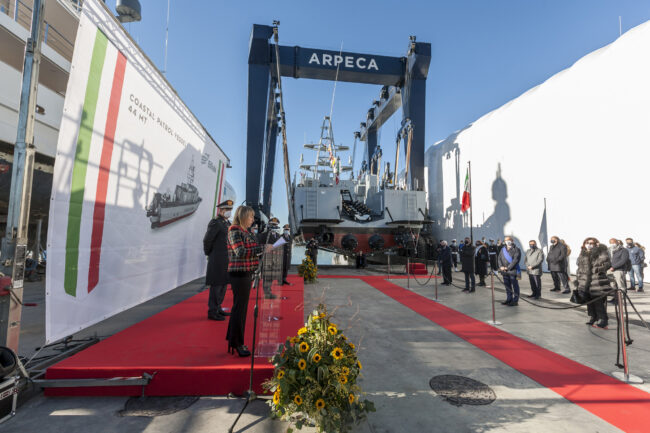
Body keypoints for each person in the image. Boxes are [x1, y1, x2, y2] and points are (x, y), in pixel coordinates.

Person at [226, 205, 264, 357]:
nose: (252, 220)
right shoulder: (234, 230)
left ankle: (233, 340)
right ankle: (237, 343)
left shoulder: (246, 232)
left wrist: (262, 248)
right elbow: (240, 252)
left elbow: (252, 248)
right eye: (250, 216)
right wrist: (261, 248)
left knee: (240, 309)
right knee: (239, 310)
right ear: (243, 217)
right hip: (239, 274)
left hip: (246, 273)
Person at [203, 199, 233, 321]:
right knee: (216, 285)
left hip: (226, 259)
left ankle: (218, 307)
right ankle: (212, 311)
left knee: (223, 284)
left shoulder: (227, 223)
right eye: (227, 209)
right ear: (221, 210)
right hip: (217, 258)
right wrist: (210, 253)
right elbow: (207, 240)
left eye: (230, 209)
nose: (229, 211)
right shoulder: (216, 223)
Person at [575, 237, 611, 328]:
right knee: (589, 302)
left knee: (598, 302)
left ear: (595, 244)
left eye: (591, 243)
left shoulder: (600, 252)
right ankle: (593, 317)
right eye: (587, 243)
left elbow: (607, 263)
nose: (589, 245)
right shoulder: (583, 253)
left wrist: (601, 248)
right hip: (584, 281)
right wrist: (578, 279)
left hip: (596, 281)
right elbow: (579, 266)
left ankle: (603, 320)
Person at [258, 217, 281, 299]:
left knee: (271, 277)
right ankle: (267, 293)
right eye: (272, 225)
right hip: (266, 259)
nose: (274, 226)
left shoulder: (278, 236)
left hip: (275, 259)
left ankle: (269, 291)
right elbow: (259, 247)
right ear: (269, 225)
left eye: (275, 225)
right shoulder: (264, 235)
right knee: (267, 277)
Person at [498, 236, 521, 306]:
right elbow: (499, 258)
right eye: (505, 240)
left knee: (515, 286)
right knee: (507, 286)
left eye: (508, 240)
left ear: (512, 241)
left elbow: (515, 260)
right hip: (504, 272)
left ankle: (515, 301)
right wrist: (501, 266)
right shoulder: (503, 249)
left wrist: (507, 268)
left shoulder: (516, 249)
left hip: (512, 271)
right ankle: (509, 299)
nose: (507, 241)